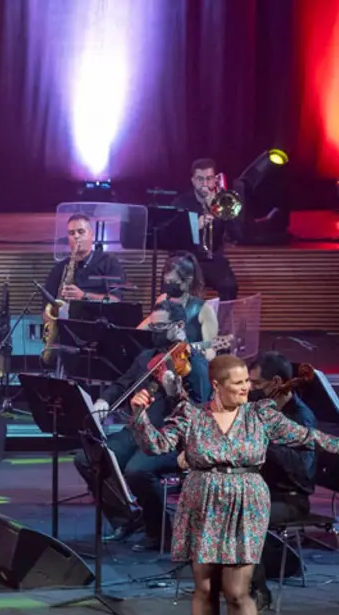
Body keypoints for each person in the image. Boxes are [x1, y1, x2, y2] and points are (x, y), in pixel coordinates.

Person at [130, 354, 339, 615]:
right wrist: (138, 415)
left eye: (248, 381)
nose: (247, 387)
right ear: (217, 385)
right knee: (204, 588)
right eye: (239, 382)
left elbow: (306, 436)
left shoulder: (261, 415)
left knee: (237, 591)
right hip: (203, 501)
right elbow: (156, 445)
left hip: (247, 502)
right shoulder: (191, 414)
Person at [73, 301, 212, 551]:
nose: (153, 331)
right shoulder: (147, 357)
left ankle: (161, 533)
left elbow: (201, 411)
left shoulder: (195, 364)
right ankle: (127, 517)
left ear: (179, 326)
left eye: (160, 326)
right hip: (138, 429)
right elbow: (123, 383)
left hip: (172, 437)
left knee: (137, 471)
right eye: (152, 325)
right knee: (87, 457)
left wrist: (174, 393)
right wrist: (104, 400)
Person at [246, 351, 318, 610]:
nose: (250, 389)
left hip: (290, 498)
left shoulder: (301, 417)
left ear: (277, 382)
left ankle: (259, 590)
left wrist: (268, 440)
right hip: (263, 491)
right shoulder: (261, 409)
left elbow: (304, 470)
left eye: (256, 384)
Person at [173, 158, 240, 301]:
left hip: (213, 260)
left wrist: (217, 208)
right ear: (192, 180)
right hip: (188, 260)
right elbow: (172, 238)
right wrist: (194, 227)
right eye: (200, 179)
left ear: (215, 180)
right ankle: (183, 322)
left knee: (230, 286)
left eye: (209, 179)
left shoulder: (224, 201)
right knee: (174, 286)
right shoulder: (181, 203)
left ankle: (218, 322)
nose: (204, 184)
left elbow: (237, 234)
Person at [43, 212, 127, 320]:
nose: (76, 236)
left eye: (81, 232)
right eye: (71, 233)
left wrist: (83, 296)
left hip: (99, 328)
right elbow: (46, 309)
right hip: (67, 329)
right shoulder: (59, 269)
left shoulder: (109, 263)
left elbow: (116, 300)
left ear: (92, 235)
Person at [142, 252, 219, 355]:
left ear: (188, 281)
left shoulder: (204, 310)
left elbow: (210, 351)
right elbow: (142, 330)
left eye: (173, 282)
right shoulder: (163, 300)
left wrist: (193, 352)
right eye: (166, 282)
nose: (169, 286)